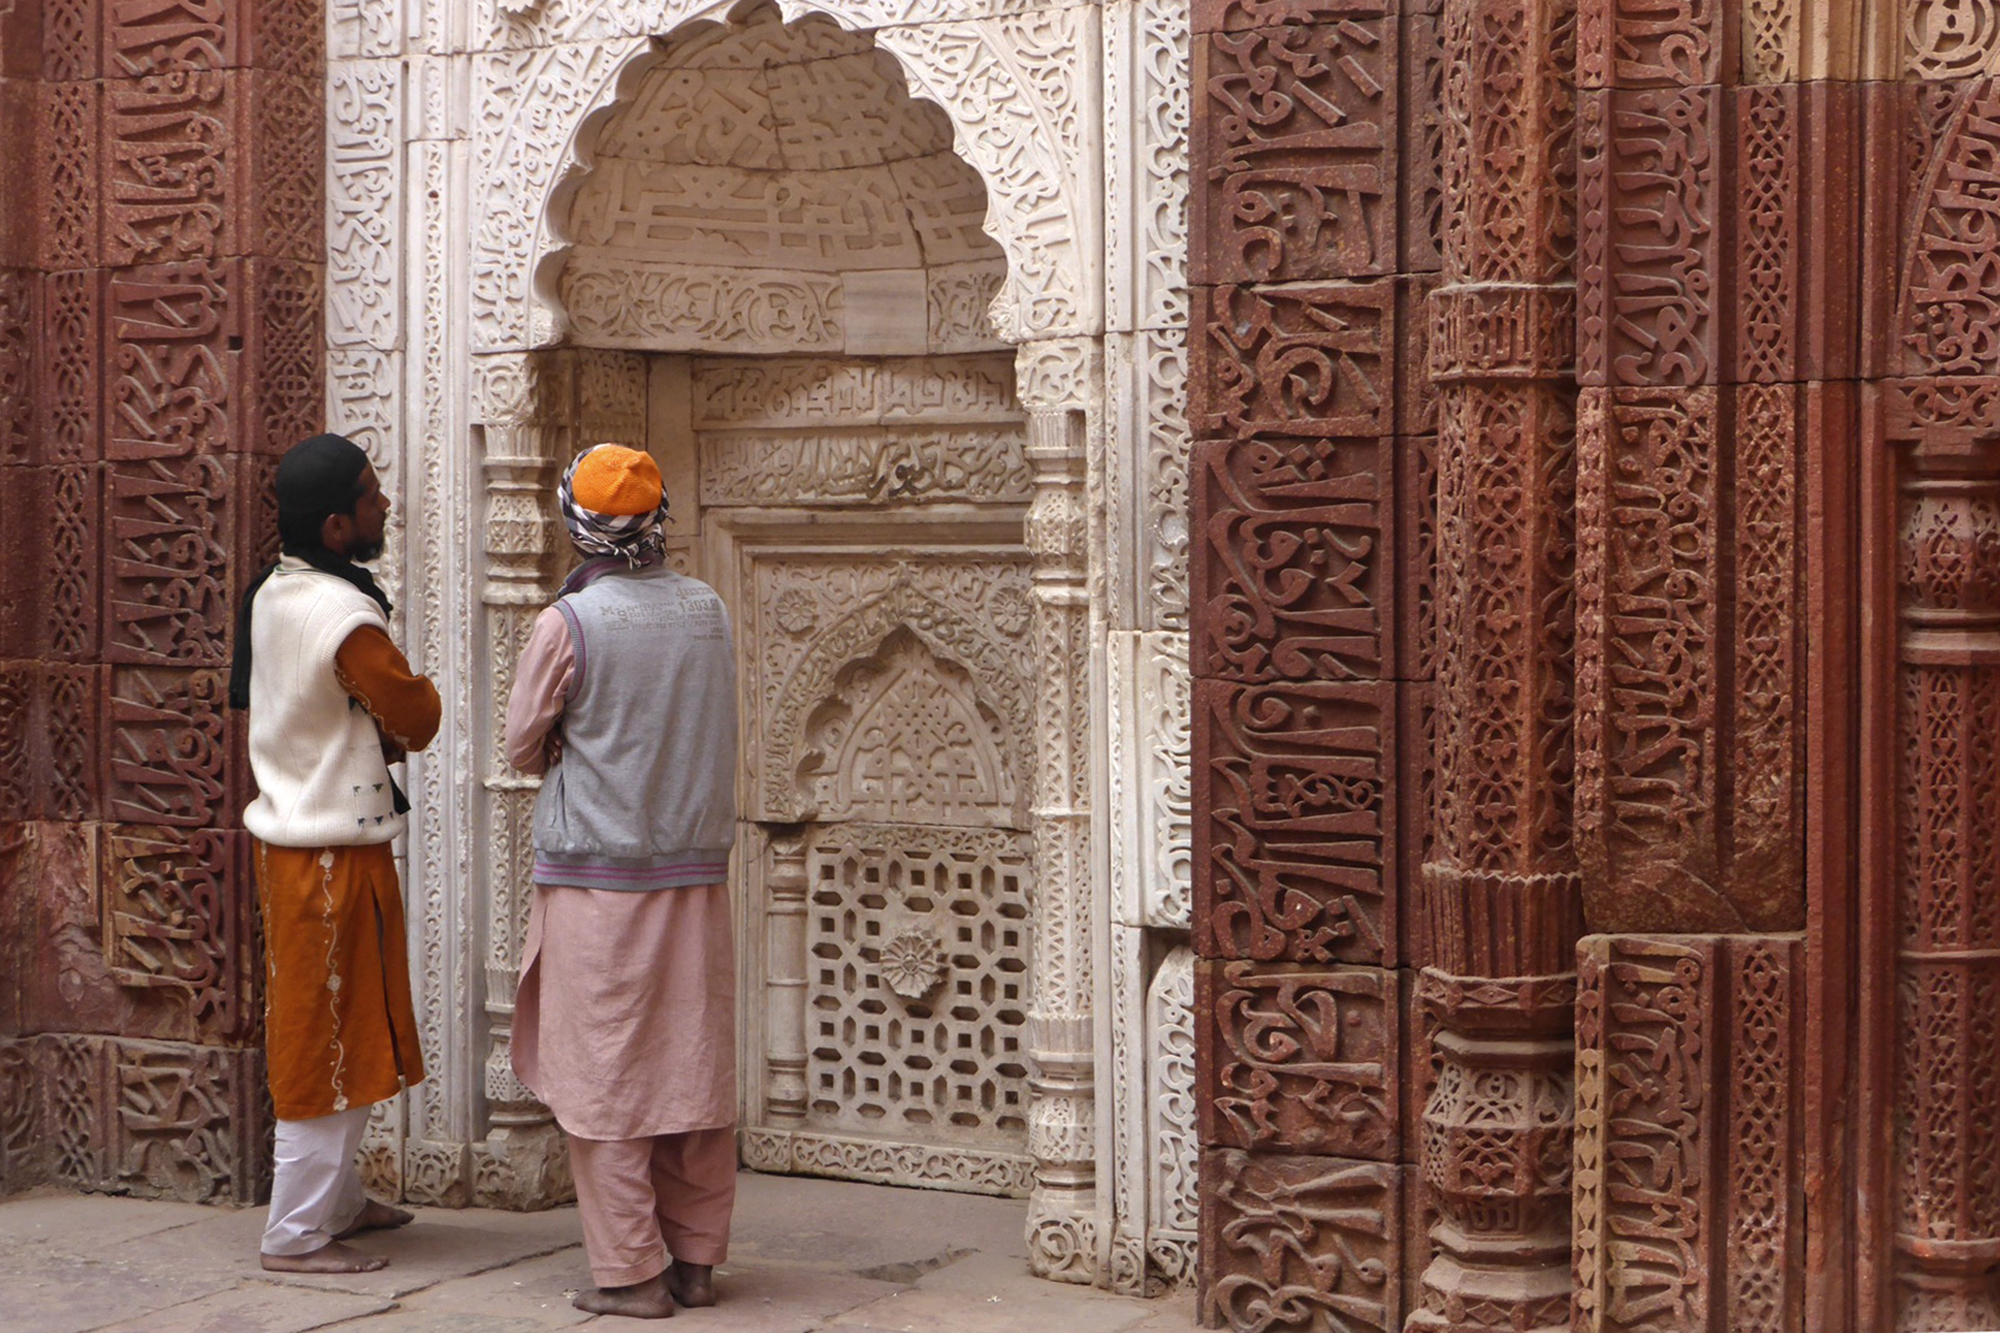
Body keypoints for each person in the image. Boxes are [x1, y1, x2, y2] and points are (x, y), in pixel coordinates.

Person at [504, 443, 740, 1320]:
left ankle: (632, 1274)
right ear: (657, 515)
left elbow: (522, 740)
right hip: (696, 878)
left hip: (598, 882)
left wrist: (566, 739)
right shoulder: (708, 607)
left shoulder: (570, 622)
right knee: (691, 1070)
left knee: (605, 1078)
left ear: (576, 522)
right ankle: (697, 1263)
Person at [228, 433, 440, 1274]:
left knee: (353, 1027)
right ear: (338, 525)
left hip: (304, 844)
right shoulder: (342, 614)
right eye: (370, 494)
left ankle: (339, 1202)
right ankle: (294, 1233)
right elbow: (414, 712)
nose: (383, 504)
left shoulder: (276, 589)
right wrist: (402, 709)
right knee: (327, 1040)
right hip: (326, 856)